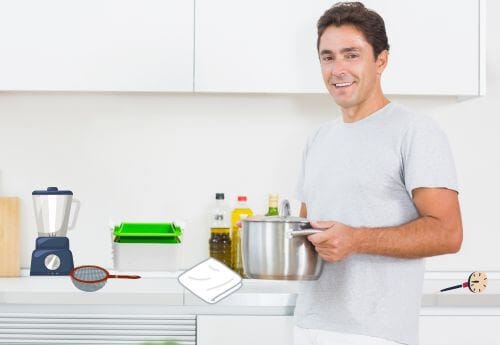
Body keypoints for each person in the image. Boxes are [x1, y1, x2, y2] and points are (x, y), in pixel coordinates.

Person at [294, 2, 462, 345]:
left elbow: (448, 233)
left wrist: (356, 239)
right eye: (328, 57)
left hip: (374, 335)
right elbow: (308, 229)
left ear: (381, 61)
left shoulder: (415, 131)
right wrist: (266, 237)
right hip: (309, 326)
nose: (337, 69)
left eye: (351, 55)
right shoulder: (318, 139)